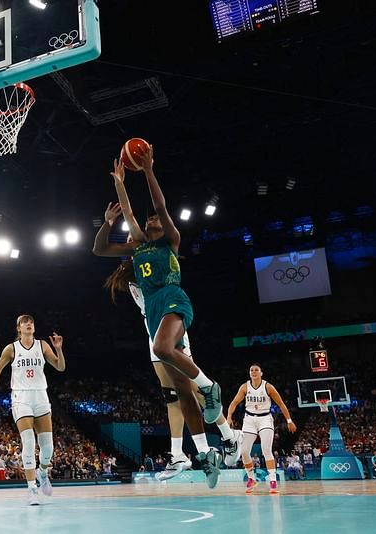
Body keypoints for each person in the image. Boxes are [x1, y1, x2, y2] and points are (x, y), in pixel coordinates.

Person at [93, 145, 223, 487]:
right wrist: (117, 192)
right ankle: (204, 452)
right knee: (179, 390)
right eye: (148, 219)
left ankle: (212, 392)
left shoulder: (171, 241)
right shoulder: (138, 247)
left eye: (155, 219)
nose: (151, 219)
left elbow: (159, 206)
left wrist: (148, 170)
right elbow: (102, 246)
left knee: (169, 357)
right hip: (153, 313)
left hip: (173, 301)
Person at [102, 243, 243, 480]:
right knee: (171, 395)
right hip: (152, 329)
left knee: (194, 391)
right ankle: (178, 454)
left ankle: (229, 437)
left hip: (168, 325)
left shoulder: (153, 262)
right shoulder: (134, 273)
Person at [0, 315, 66, 505]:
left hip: (40, 396)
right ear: (19, 328)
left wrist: (58, 349)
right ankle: (31, 489)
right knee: (28, 442)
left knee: (48, 447)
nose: (29, 324)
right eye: (25, 323)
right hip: (21, 398)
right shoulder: (11, 349)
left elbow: (60, 367)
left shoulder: (42, 346)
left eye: (31, 322)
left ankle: (43, 472)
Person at [226, 363, 297, 494]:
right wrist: (229, 416)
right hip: (249, 420)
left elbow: (281, 403)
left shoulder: (268, 387)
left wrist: (289, 420)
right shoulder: (244, 387)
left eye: (256, 370)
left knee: (266, 450)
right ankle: (251, 478)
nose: (253, 372)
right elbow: (234, 402)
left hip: (265, 419)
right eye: (251, 370)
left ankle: (273, 480)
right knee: (244, 451)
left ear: (261, 373)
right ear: (249, 373)